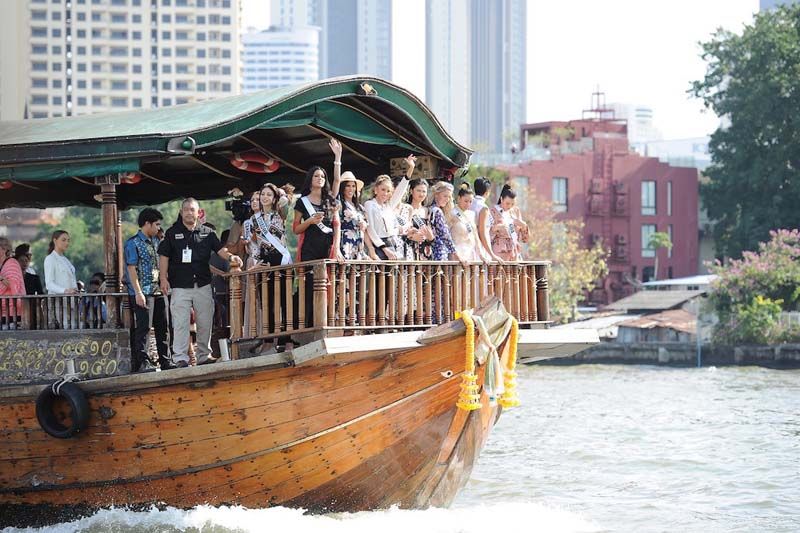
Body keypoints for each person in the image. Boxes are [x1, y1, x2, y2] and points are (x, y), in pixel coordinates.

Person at [158, 198, 243, 368]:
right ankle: (180, 358)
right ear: (181, 212)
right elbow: (164, 256)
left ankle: (204, 355)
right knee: (180, 323)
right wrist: (163, 279)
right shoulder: (172, 233)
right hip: (180, 285)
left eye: (192, 210)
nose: (189, 213)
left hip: (203, 284)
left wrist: (232, 257)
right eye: (186, 210)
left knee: (205, 322)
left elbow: (220, 250)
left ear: (199, 212)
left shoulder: (207, 232)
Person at [125, 208, 175, 372]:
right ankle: (142, 362)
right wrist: (138, 292)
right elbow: (131, 269)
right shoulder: (133, 243)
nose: (159, 228)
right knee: (144, 328)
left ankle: (165, 360)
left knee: (163, 327)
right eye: (157, 224)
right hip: (144, 292)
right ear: (147, 223)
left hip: (158, 290)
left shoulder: (157, 241)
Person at [251, 182, 292, 353]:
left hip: (281, 260)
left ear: (274, 198)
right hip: (265, 261)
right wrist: (256, 262)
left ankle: (287, 340)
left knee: (284, 302)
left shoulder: (280, 213)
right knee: (266, 302)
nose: (265, 197)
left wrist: (280, 193)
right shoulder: (254, 219)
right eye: (263, 194)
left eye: (269, 194)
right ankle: (268, 340)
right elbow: (255, 243)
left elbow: (285, 202)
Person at [364, 155, 416, 260]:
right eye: (383, 190)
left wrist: (411, 168)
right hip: (379, 246)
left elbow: (401, 189)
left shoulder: (388, 205)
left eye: (388, 191)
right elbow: (371, 230)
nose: (385, 193)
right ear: (376, 190)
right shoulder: (369, 204)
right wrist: (384, 249)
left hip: (393, 243)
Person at [338, 171, 377, 260]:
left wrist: (370, 249)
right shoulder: (339, 204)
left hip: (359, 245)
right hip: (345, 244)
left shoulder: (360, 208)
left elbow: (365, 231)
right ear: (342, 187)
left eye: (353, 186)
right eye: (348, 186)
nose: (351, 189)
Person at [396, 178, 434, 260]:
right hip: (408, 250)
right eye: (418, 191)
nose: (421, 194)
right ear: (411, 191)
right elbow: (398, 231)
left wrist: (430, 238)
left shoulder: (428, 211)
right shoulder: (405, 209)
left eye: (424, 191)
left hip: (425, 253)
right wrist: (411, 237)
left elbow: (432, 237)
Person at [490, 184, 529, 261]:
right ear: (501, 199)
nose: (510, 206)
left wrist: (523, 225)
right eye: (507, 203)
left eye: (512, 204)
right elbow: (486, 232)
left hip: (514, 251)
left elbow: (525, 239)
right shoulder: (493, 211)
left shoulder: (516, 211)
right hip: (499, 250)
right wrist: (496, 227)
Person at [450, 185, 487, 263]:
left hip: (470, 253)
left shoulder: (471, 214)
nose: (468, 204)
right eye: (466, 201)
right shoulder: (452, 213)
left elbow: (475, 236)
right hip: (457, 253)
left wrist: (481, 254)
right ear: (459, 198)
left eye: (470, 202)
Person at [471, 177, 503, 262]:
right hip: (480, 248)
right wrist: (492, 254)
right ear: (487, 192)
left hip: (469, 245)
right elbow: (482, 232)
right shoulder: (483, 208)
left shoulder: (469, 203)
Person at [428, 181, 459, 263]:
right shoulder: (437, 211)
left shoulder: (430, 209)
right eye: (445, 196)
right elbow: (445, 235)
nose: (447, 199)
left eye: (449, 197)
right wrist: (455, 253)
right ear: (436, 195)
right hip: (439, 253)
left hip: (433, 252)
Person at [43, 230, 78, 294]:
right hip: (57, 299)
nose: (67, 243)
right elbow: (49, 284)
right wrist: (65, 291)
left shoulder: (66, 260)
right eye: (63, 240)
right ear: (55, 241)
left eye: (68, 240)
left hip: (71, 298)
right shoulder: (50, 259)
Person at [0, 237, 25, 326]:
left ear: (4, 249)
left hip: (12, 312)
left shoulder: (12, 263)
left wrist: (1, 278)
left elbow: (13, 285)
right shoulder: (2, 265)